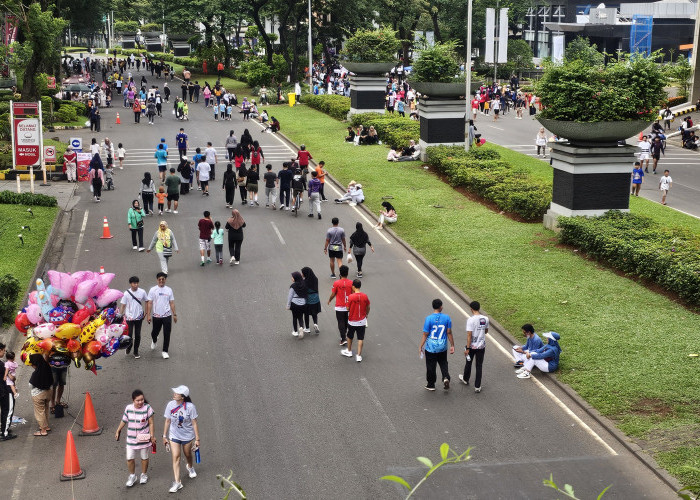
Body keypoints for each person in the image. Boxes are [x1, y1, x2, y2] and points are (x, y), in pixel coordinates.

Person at [163, 385, 200, 493]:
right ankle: (177, 482)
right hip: (174, 435)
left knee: (187, 454)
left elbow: (194, 423)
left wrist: (197, 439)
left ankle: (190, 466)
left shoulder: (190, 407)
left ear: (183, 396)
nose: (174, 394)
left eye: (177, 393)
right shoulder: (170, 405)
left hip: (187, 436)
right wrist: (164, 436)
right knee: (176, 457)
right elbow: (167, 421)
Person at [116, 389, 156, 487]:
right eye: (138, 400)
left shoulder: (147, 408)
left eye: (142, 400)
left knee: (144, 457)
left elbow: (151, 423)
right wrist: (118, 430)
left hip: (144, 437)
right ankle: (132, 476)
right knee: (129, 458)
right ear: (133, 400)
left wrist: (152, 436)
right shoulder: (128, 408)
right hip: (131, 439)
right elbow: (124, 420)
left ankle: (144, 475)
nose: (140, 402)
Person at [420, 299, 455, 391]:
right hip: (442, 346)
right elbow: (449, 332)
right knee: (443, 362)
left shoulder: (428, 318)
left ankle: (431, 384)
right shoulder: (447, 318)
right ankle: (445, 377)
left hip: (431, 347)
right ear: (440, 307)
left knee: (431, 365)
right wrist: (452, 345)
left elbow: (425, 334)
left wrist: (421, 345)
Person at [458, 301, 489, 393]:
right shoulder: (485, 319)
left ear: (471, 309)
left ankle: (465, 379)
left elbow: (469, 335)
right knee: (479, 366)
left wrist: (467, 348)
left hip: (472, 346)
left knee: (469, 362)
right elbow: (486, 331)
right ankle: (477, 386)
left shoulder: (470, 320)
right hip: (481, 346)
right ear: (479, 308)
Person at [146, 272, 177, 359]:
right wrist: (148, 315)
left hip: (167, 315)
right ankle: (154, 340)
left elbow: (172, 303)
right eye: (159, 279)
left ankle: (165, 351)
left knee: (167, 333)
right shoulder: (153, 290)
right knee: (154, 332)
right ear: (157, 280)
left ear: (165, 280)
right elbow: (149, 303)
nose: (161, 281)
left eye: (163, 279)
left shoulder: (169, 290)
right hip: (156, 316)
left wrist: (174, 314)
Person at [340, 280, 370, 362]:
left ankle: (349, 351)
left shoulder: (351, 297)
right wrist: (366, 314)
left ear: (353, 286)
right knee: (360, 338)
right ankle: (359, 356)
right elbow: (368, 307)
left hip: (352, 320)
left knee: (350, 336)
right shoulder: (365, 296)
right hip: (362, 321)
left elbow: (347, 308)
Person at [119, 276, 148, 359]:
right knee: (129, 335)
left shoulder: (142, 292)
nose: (136, 285)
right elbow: (123, 305)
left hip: (139, 317)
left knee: (138, 335)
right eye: (134, 283)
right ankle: (129, 347)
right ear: (131, 284)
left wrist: (146, 312)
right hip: (129, 318)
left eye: (137, 283)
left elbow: (147, 300)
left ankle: (136, 351)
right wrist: (120, 315)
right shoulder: (126, 293)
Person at [327, 265, 353, 346]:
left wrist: (329, 300)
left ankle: (343, 338)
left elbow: (333, 294)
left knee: (340, 322)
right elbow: (353, 294)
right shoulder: (351, 283)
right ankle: (345, 335)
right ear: (347, 273)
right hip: (349, 306)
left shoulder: (336, 283)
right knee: (346, 321)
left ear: (340, 273)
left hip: (339, 306)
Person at [28, 353, 53, 436]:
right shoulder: (47, 368)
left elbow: (30, 385)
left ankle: (43, 430)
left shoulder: (36, 374)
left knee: (39, 412)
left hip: (38, 395)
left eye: (32, 364)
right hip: (48, 392)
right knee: (46, 408)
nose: (32, 366)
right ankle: (46, 426)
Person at [0, 343, 16, 440]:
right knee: (8, 411)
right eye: (4, 351)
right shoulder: (2, 365)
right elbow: (11, 378)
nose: (4, 352)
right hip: (5, 390)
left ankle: (3, 429)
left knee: (4, 411)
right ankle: (5, 433)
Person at [287, 272, 307, 338]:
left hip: (295, 303)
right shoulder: (304, 284)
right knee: (300, 317)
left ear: (295, 278)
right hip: (303, 303)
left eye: (292, 277)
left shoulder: (293, 286)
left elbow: (290, 296)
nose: (292, 278)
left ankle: (295, 331)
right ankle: (301, 327)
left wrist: (288, 305)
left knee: (295, 317)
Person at [301, 267, 321, 334]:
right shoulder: (315, 279)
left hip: (308, 299)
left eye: (302, 273)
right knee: (314, 313)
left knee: (306, 313)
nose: (302, 274)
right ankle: (315, 323)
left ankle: (307, 328)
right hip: (316, 298)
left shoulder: (304, 282)